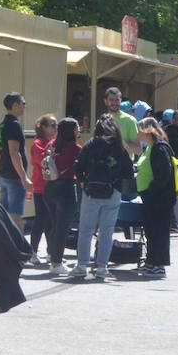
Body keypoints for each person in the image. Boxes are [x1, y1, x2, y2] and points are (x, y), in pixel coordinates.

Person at [68, 114, 135, 281]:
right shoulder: (119, 148)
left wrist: (84, 182)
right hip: (113, 192)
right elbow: (128, 172)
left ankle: (82, 265)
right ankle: (102, 267)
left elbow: (78, 167)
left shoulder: (90, 145)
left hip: (91, 192)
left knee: (85, 230)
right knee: (107, 231)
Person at [134, 118, 175, 277]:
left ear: (148, 130)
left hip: (159, 198)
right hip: (151, 198)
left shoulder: (159, 148)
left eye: (140, 130)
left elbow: (164, 174)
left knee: (159, 231)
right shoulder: (150, 147)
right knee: (151, 231)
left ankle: (159, 264)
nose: (138, 134)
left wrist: (151, 190)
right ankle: (151, 261)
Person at [46, 117, 82, 271]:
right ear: (73, 131)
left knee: (55, 225)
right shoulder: (76, 149)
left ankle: (52, 256)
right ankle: (56, 263)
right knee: (62, 228)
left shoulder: (52, 145)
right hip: (66, 188)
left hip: (49, 188)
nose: (79, 130)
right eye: (77, 128)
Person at [27, 114, 59, 267]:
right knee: (40, 219)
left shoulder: (54, 142)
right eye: (52, 125)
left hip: (52, 186)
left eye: (56, 125)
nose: (55, 128)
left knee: (51, 221)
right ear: (44, 127)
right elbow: (44, 161)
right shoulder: (38, 143)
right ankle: (32, 252)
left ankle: (51, 252)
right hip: (41, 186)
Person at [0, 92, 31, 225]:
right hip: (14, 177)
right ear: (15, 105)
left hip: (4, 174)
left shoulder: (3, 124)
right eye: (23, 103)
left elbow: (2, 152)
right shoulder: (13, 125)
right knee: (15, 217)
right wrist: (24, 177)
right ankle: (15, 245)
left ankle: (3, 243)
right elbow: (14, 152)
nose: (24, 106)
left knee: (4, 214)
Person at [104, 87, 140, 155]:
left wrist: (119, 141)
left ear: (121, 101)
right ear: (106, 101)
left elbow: (138, 150)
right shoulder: (102, 120)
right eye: (111, 100)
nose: (114, 103)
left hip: (124, 164)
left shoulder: (130, 120)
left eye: (117, 100)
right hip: (105, 164)